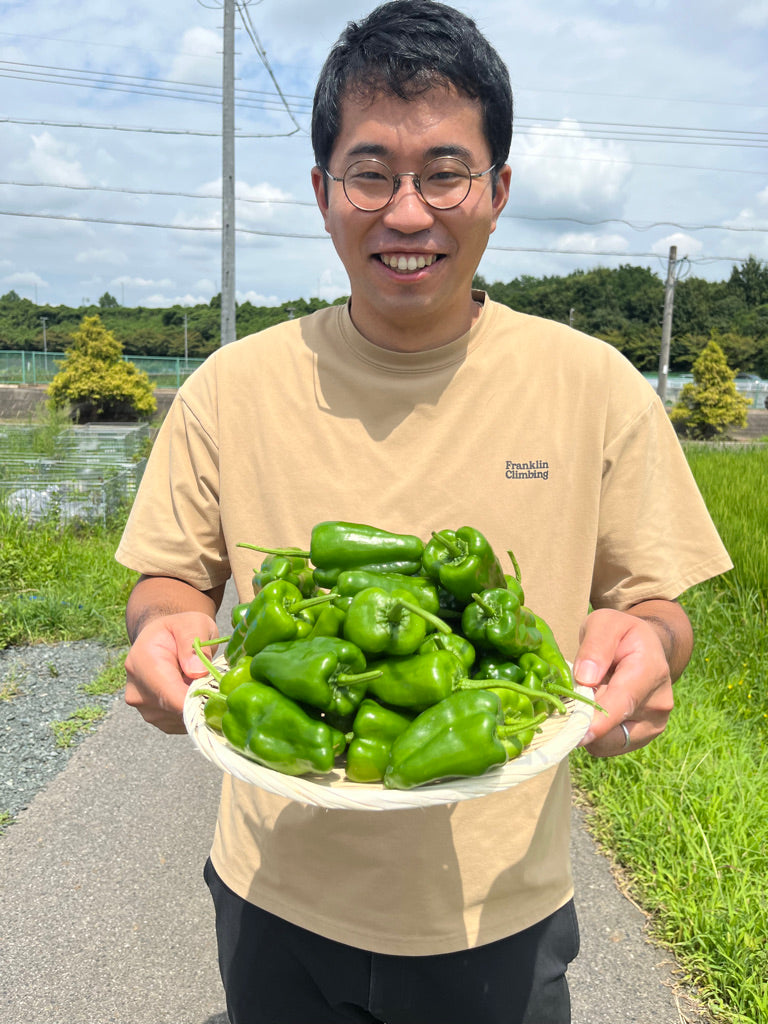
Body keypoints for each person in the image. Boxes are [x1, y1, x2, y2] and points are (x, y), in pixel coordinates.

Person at [116, 3, 732, 1022]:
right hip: (275, 890)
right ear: (322, 193)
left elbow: (655, 601)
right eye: (371, 173)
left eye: (446, 172)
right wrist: (163, 624)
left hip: (499, 909)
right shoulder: (231, 386)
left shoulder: (594, 384)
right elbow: (172, 579)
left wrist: (655, 640)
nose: (408, 212)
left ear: (498, 190)